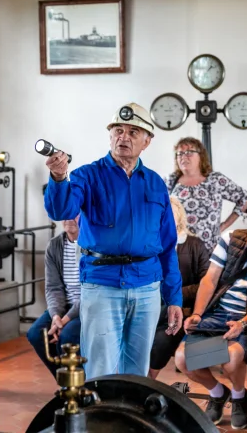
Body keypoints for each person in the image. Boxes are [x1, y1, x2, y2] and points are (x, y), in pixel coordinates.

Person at [43, 102, 183, 378]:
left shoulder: (155, 183)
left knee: (137, 370)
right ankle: (100, 421)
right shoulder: (86, 175)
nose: (123, 137)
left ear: (147, 141)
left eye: (133, 132)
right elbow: (61, 210)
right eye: (118, 130)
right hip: (102, 286)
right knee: (101, 368)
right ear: (110, 136)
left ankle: (129, 420)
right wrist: (59, 177)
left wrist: (174, 297)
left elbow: (168, 245)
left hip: (147, 287)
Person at [175, 197, 247, 429]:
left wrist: (243, 323)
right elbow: (210, 279)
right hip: (217, 312)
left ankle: (240, 397)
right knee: (183, 360)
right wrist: (198, 313)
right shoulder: (231, 238)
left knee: (230, 358)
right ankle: (218, 393)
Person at [149, 197, 210, 380]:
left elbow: (206, 284)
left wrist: (176, 295)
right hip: (151, 309)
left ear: (179, 220)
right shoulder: (149, 245)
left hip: (182, 313)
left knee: (161, 339)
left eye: (170, 217)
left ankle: (146, 382)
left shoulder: (194, 245)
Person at [166, 137, 247, 252]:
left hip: (209, 248)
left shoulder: (215, 179)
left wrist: (224, 225)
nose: (183, 156)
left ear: (201, 156)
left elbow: (245, 198)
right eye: (180, 153)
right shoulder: (171, 180)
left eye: (189, 152)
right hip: (179, 249)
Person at [26, 217, 82, 378]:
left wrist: (64, 321)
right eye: (65, 214)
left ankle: (82, 386)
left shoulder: (92, 245)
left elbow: (91, 292)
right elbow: (53, 287)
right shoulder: (55, 245)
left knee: (68, 335)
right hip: (64, 307)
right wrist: (56, 317)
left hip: (87, 308)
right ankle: (66, 384)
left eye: (74, 213)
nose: (69, 218)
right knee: (36, 334)